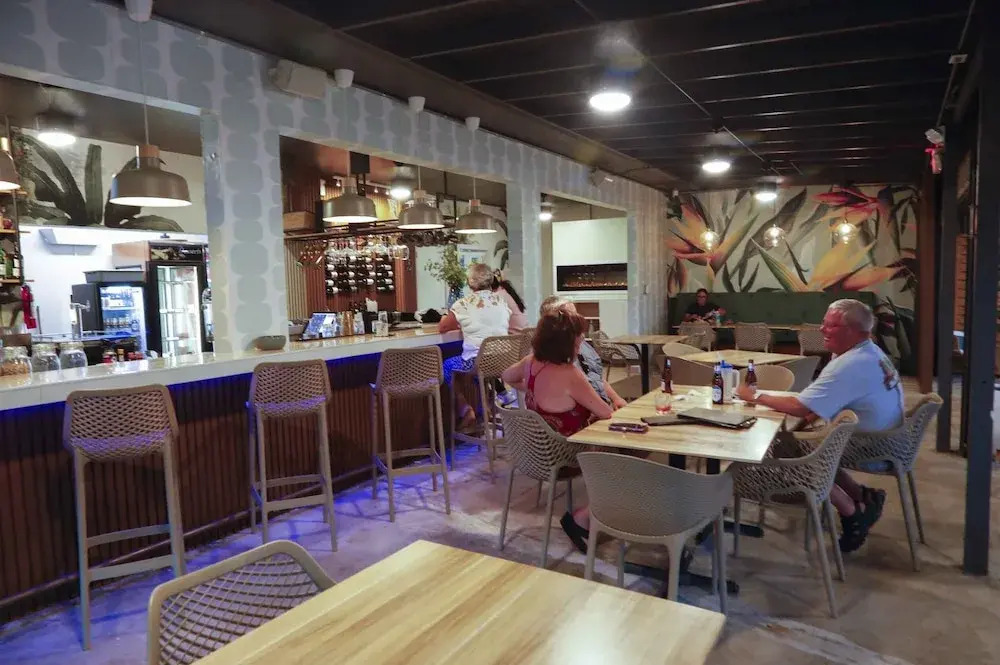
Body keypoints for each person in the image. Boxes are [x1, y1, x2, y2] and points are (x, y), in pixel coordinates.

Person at [736, 298, 901, 552]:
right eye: (823, 323)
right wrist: (805, 419)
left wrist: (754, 396)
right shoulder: (868, 351)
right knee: (798, 441)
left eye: (830, 326)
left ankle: (852, 513)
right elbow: (819, 404)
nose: (821, 329)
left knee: (791, 450)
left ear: (854, 331)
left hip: (873, 445)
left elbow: (800, 406)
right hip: (887, 434)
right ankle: (862, 496)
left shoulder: (850, 365)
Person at [502, 310, 614, 553]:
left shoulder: (530, 363)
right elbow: (605, 412)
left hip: (535, 452)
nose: (582, 341)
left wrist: (528, 389)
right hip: (567, 455)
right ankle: (585, 516)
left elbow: (506, 376)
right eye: (579, 336)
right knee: (627, 453)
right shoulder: (570, 374)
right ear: (566, 341)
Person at [439, 263, 512, 429]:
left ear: (470, 282)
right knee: (481, 371)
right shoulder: (501, 301)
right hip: (503, 360)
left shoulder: (464, 303)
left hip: (477, 363)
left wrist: (446, 316)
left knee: (447, 366)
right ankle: (486, 407)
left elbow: (443, 327)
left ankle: (465, 409)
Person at [538, 295, 626, 409]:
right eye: (571, 316)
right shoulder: (548, 355)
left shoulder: (582, 343)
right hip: (584, 411)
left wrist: (616, 398)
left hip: (599, 405)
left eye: (576, 315)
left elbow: (595, 376)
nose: (576, 320)